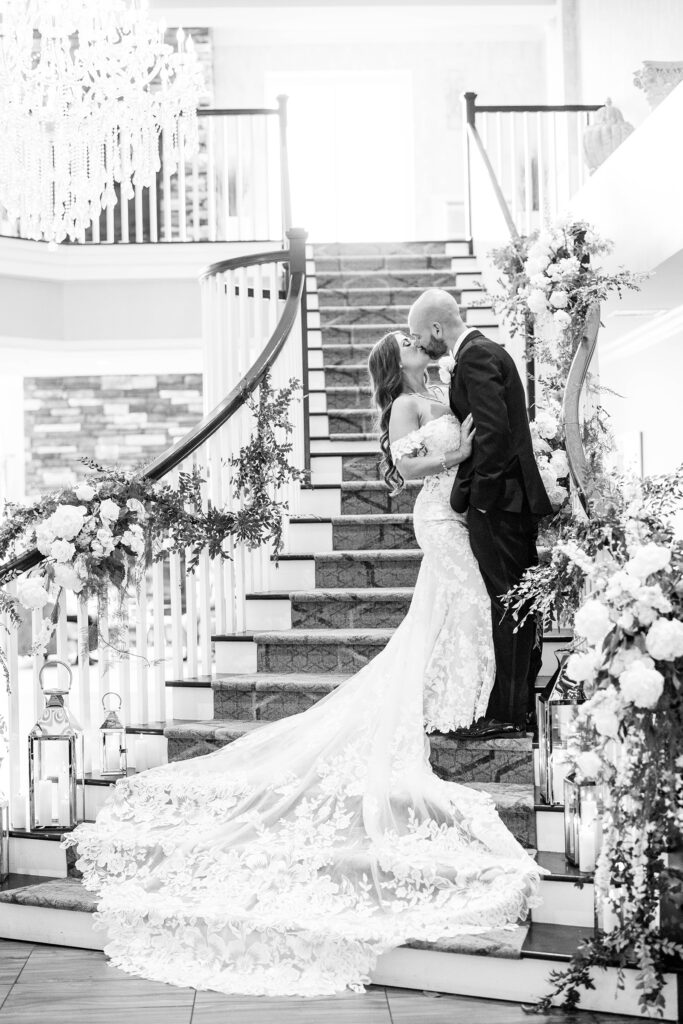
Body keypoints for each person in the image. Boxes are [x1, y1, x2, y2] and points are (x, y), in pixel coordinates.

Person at [66, 329, 541, 998]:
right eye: (407, 342)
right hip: (437, 513)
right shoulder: (402, 408)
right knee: (459, 607)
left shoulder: (430, 390)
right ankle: (448, 698)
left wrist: (467, 447)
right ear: (394, 361)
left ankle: (454, 695)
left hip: (455, 514)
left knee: (453, 614)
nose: (416, 344)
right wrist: (458, 449)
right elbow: (410, 466)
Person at [408, 289, 553, 739]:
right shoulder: (480, 353)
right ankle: (519, 705)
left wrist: (482, 500)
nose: (419, 343)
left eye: (418, 334)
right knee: (516, 601)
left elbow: (494, 434)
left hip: (499, 504)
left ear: (436, 328)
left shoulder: (474, 357)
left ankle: (509, 712)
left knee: (508, 603)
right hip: (507, 501)